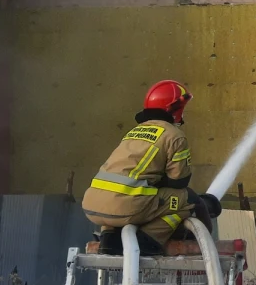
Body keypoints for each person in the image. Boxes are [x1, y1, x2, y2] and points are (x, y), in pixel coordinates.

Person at [82, 79, 220, 256]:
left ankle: (109, 240)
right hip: (127, 205)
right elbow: (179, 182)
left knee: (121, 199)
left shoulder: (134, 132)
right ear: (173, 109)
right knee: (187, 199)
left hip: (93, 204)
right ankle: (148, 240)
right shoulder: (174, 135)